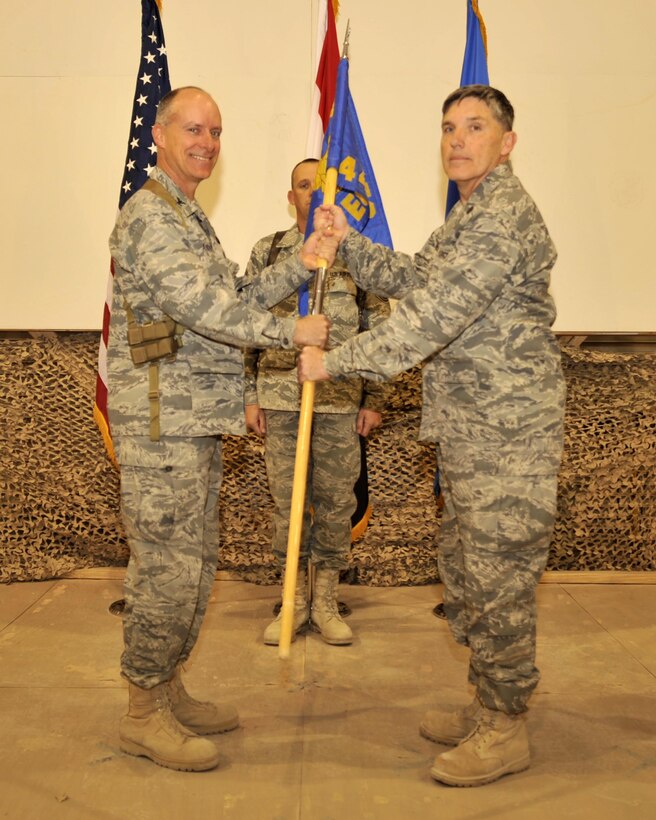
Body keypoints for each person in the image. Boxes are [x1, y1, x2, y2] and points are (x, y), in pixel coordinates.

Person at [299, 85, 566, 787]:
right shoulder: (469, 215)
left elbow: (426, 321)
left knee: (499, 578)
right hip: (474, 430)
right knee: (471, 569)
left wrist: (336, 363)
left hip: (509, 436)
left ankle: (506, 726)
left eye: (475, 127)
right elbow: (417, 278)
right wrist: (351, 243)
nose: (457, 139)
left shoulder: (503, 216)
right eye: (449, 127)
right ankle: (487, 702)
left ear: (506, 142)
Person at [107, 87, 330, 772]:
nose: (206, 142)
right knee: (167, 574)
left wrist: (304, 261)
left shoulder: (187, 216)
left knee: (196, 567)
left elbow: (231, 291)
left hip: (192, 419)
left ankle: (167, 688)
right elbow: (207, 309)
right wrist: (292, 331)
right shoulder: (149, 216)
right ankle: (143, 710)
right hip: (160, 424)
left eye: (216, 131)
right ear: (159, 134)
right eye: (193, 129)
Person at [243, 158, 390, 646]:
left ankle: (325, 601)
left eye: (319, 185)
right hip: (281, 400)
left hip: (341, 403)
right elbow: (243, 327)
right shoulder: (269, 253)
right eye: (302, 186)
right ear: (292, 198)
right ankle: (293, 602)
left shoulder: (357, 257)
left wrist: (375, 397)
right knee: (288, 507)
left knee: (333, 507)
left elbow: (381, 330)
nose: (311, 193)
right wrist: (250, 396)